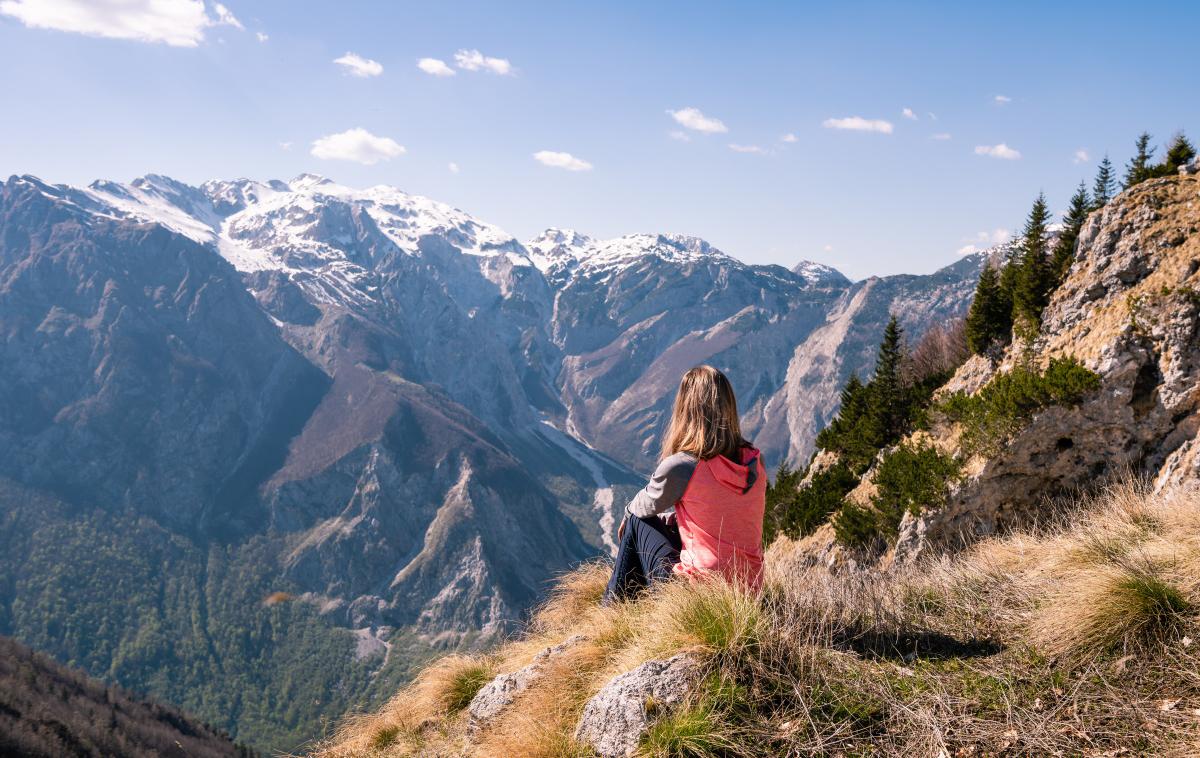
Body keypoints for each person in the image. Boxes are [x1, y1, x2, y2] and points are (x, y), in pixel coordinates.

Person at [604, 365, 767, 603]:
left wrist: (629, 512)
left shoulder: (683, 467)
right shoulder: (755, 463)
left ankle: (611, 610)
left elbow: (641, 508)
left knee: (636, 521)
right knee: (662, 522)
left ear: (686, 410)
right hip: (749, 592)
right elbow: (728, 515)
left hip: (697, 596)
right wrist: (677, 519)